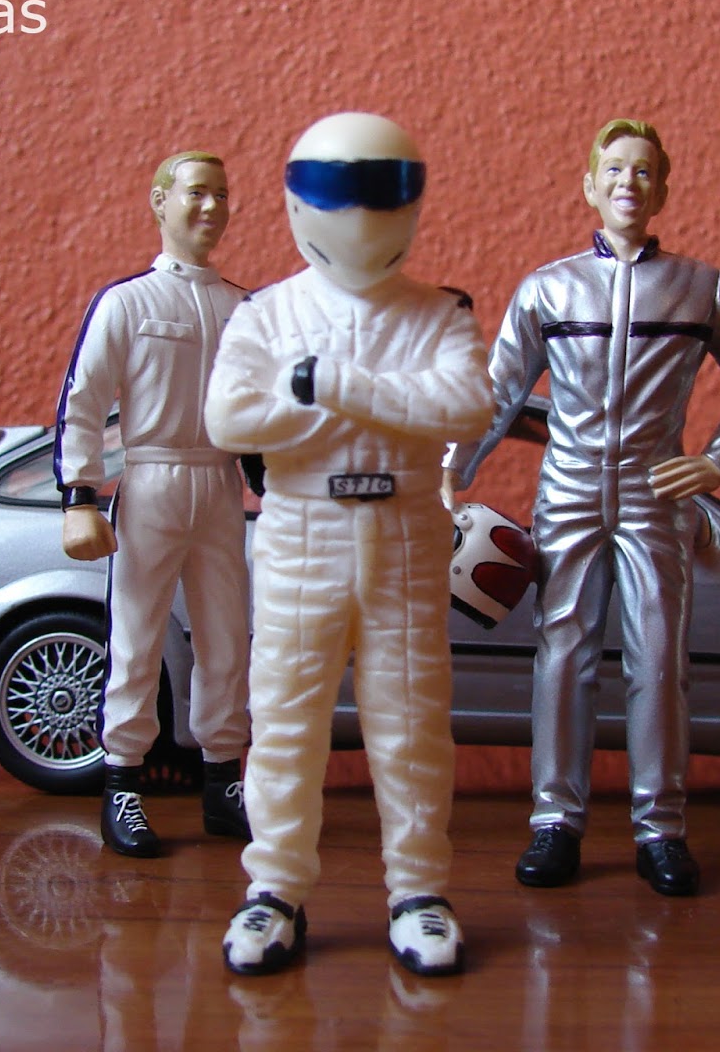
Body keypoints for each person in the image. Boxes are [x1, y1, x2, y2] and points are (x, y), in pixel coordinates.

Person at [444, 119, 720, 896]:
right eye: (615, 170)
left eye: (644, 171)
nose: (629, 182)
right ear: (590, 186)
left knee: (659, 657)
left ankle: (661, 827)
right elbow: (498, 392)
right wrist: (453, 468)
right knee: (562, 652)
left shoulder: (702, 287)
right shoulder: (549, 288)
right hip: (567, 489)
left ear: (662, 190)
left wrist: (718, 461)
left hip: (653, 492)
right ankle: (554, 821)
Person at [205, 112, 493, 976]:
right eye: (339, 193)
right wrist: (376, 405)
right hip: (301, 530)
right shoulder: (265, 314)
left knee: (411, 724)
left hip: (405, 532)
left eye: (380, 193)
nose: (359, 214)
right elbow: (229, 420)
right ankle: (273, 888)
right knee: (285, 720)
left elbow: (463, 407)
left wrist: (326, 384)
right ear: (299, 201)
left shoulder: (440, 313)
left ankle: (419, 889)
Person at [54, 150, 253, 858]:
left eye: (221, 194)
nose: (211, 207)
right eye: (196, 192)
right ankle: (123, 781)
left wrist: (276, 478)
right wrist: (79, 495)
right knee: (136, 636)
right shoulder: (128, 302)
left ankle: (223, 778)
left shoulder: (244, 307)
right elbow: (84, 401)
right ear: (159, 201)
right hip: (152, 481)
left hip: (220, 485)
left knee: (227, 637)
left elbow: (260, 408)